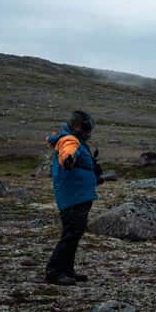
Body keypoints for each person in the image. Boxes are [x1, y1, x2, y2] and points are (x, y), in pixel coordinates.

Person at [45, 110, 103, 285]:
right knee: (71, 234)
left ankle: (67, 270)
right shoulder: (70, 140)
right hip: (73, 196)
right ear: (79, 126)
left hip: (78, 194)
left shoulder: (75, 140)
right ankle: (54, 272)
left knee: (74, 233)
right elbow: (68, 152)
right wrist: (68, 160)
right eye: (87, 128)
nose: (89, 132)